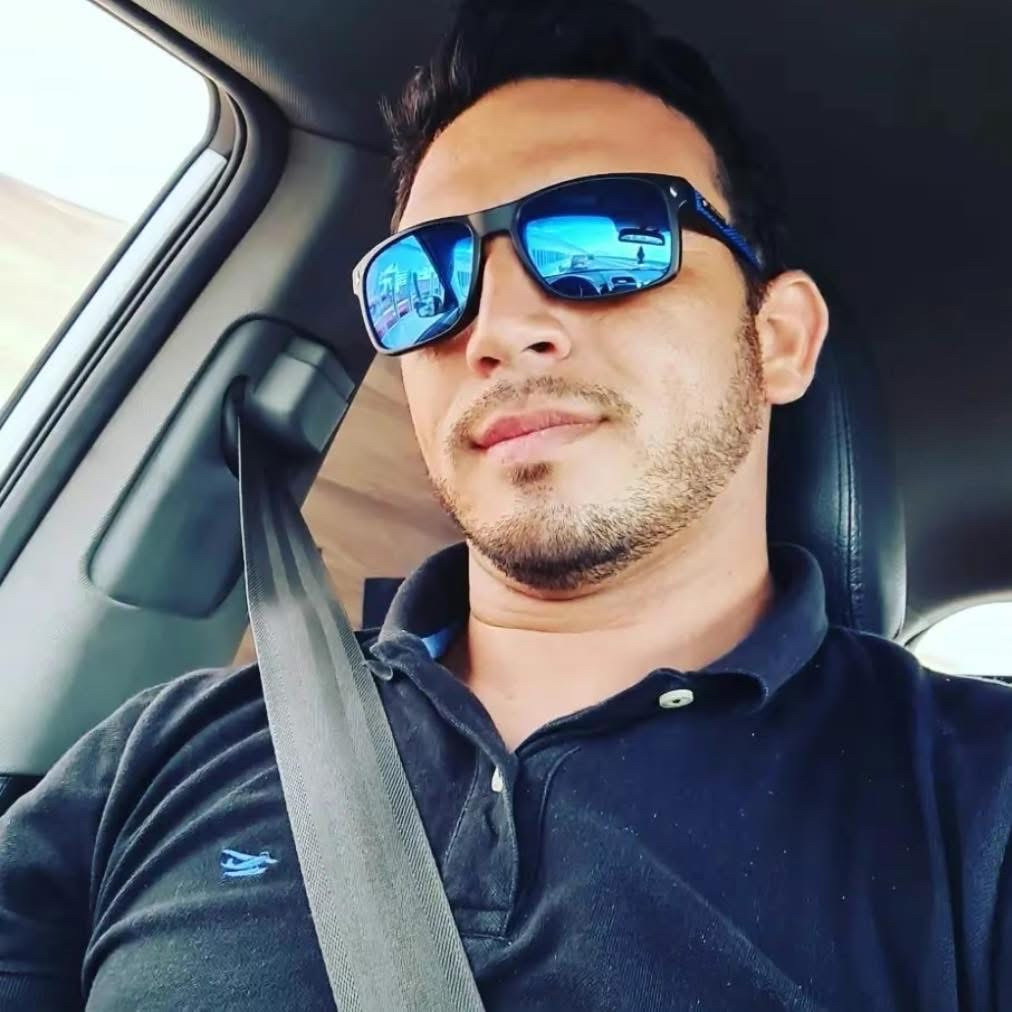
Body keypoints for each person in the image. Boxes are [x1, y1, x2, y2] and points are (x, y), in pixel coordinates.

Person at [2, 1, 1011, 1009]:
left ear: (778, 339)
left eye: (604, 239)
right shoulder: (165, 750)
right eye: (425, 277)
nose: (497, 329)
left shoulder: (976, 800)